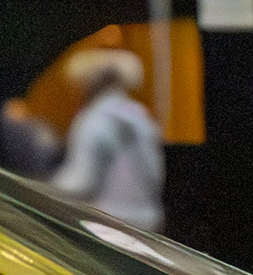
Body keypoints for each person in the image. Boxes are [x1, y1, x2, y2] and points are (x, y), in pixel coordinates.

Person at [50, 49, 167, 232]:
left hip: (109, 222)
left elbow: (81, 182)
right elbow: (156, 173)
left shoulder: (96, 118)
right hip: (146, 221)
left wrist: (40, 190)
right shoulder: (138, 115)